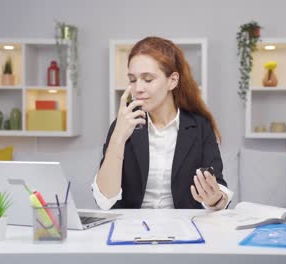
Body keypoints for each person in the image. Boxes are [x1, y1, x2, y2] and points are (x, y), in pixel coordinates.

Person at [92, 36, 233, 210]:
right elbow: (104, 200)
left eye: (148, 79)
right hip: (131, 229)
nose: (138, 89)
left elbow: (219, 191)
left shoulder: (200, 127)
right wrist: (118, 138)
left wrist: (213, 199)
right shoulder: (123, 124)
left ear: (172, 80)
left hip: (185, 228)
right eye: (133, 80)